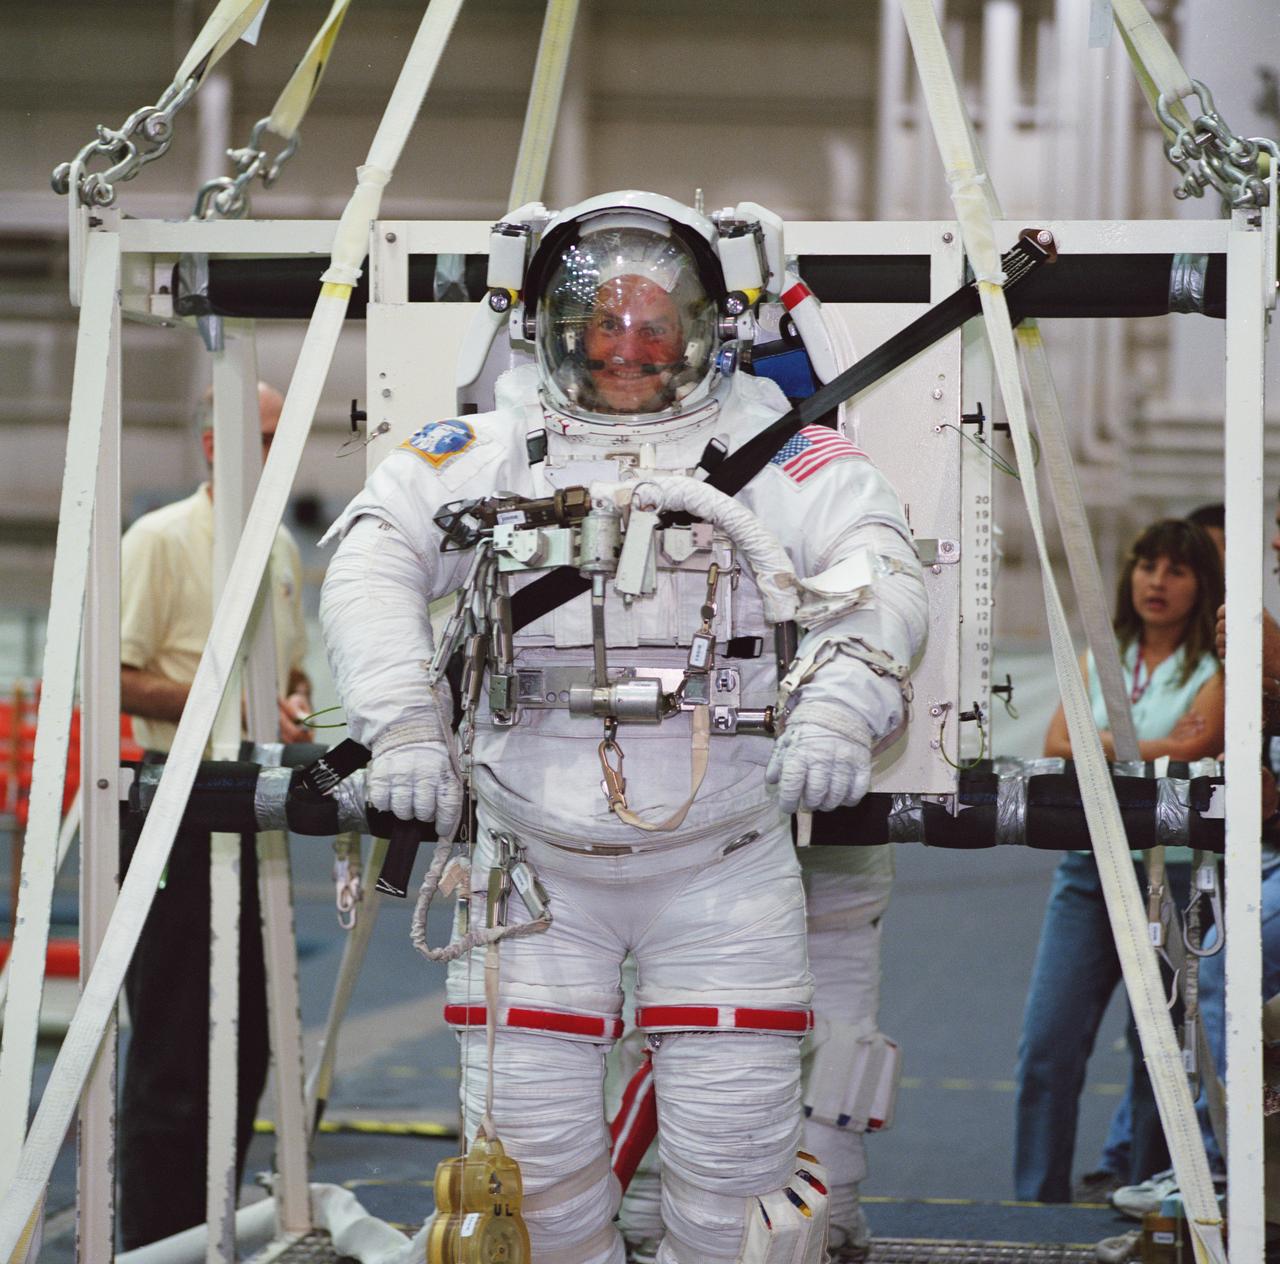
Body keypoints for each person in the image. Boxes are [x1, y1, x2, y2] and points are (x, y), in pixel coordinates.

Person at [320, 191, 928, 1263]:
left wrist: (839, 706)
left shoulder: (776, 452)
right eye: (605, 322)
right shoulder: (492, 447)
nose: (629, 348)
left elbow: (879, 565)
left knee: (736, 1183)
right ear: (556, 327)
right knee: (529, 1181)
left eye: (655, 324)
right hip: (531, 867)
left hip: (722, 857)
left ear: (703, 330)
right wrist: (406, 726)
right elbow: (373, 551)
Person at [117, 381, 312, 1249]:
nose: (275, 457)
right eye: (260, 438)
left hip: (249, 802)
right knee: (173, 1048)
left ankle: (212, 1230)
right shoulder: (158, 542)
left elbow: (292, 678)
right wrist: (227, 699)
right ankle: (158, 1238)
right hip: (172, 804)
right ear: (211, 447)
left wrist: (289, 705)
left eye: (281, 439)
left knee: (249, 1042)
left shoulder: (278, 551)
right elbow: (107, 675)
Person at [1015, 518, 1225, 1204]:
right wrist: (1152, 744)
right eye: (1146, 566)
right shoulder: (1099, 654)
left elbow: (1197, 749)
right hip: (1089, 871)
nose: (1156, 583)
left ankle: (1145, 1202)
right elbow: (1056, 736)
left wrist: (1104, 740)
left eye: (1176, 571)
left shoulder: (1218, 667)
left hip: (1177, 876)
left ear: (1202, 586)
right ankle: (1035, 1203)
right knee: (1045, 1046)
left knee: (1156, 1053)